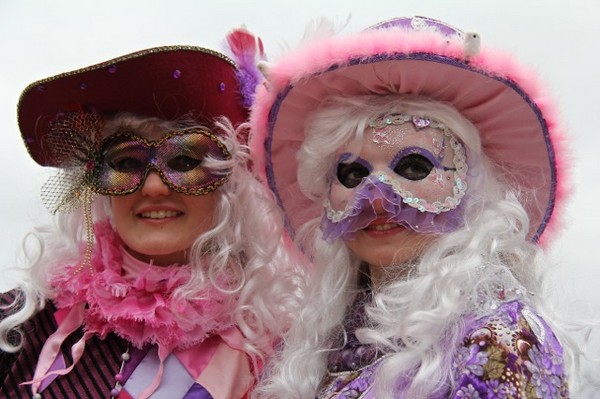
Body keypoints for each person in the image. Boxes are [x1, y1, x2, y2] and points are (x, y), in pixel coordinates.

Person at [250, 16, 577, 398]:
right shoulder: (318, 348)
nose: (375, 197)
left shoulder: (500, 340)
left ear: (471, 185)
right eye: (353, 175)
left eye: (413, 167)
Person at [0, 40, 299, 398]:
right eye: (127, 162)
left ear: (230, 185)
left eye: (186, 161)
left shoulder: (282, 362)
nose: (154, 188)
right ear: (98, 185)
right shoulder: (19, 323)